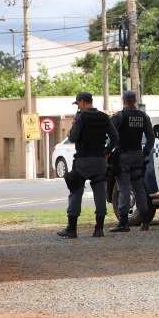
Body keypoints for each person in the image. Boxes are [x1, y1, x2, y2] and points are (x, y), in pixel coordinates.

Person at [57, 92, 118, 239]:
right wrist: (107, 151)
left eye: (78, 103)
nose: (78, 106)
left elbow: (72, 138)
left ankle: (72, 229)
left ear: (83, 102)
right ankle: (99, 229)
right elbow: (115, 137)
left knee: (76, 190)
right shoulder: (104, 117)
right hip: (99, 161)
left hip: (83, 160)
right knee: (100, 194)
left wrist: (74, 125)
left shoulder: (81, 117)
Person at [109, 91, 155, 232]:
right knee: (139, 188)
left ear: (124, 100)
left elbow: (111, 134)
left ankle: (123, 223)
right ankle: (145, 221)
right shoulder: (143, 116)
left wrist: (108, 150)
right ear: (135, 100)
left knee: (124, 188)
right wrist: (145, 152)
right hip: (138, 155)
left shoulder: (120, 116)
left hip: (123, 156)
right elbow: (151, 137)